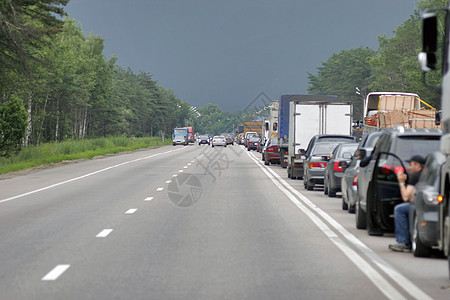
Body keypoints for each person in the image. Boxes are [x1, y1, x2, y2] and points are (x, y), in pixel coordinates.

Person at [388, 155, 425, 252]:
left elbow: (405, 197)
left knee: (399, 209)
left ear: (418, 166)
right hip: (426, 205)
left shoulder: (415, 177)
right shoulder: (426, 175)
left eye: (411, 165)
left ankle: (403, 242)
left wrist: (401, 182)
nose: (408, 167)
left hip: (418, 206)